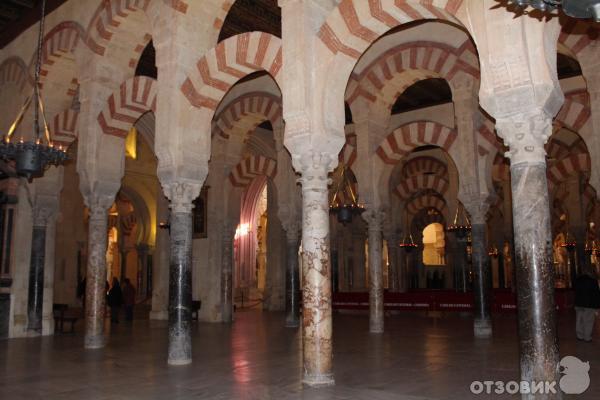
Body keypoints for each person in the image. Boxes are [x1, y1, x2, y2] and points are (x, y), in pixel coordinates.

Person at [574, 266, 600, 342]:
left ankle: (580, 336)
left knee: (579, 320)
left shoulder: (578, 280)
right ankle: (587, 337)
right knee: (588, 321)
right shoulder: (593, 281)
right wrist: (597, 306)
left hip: (578, 304)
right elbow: (596, 294)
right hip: (589, 304)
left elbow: (575, 291)